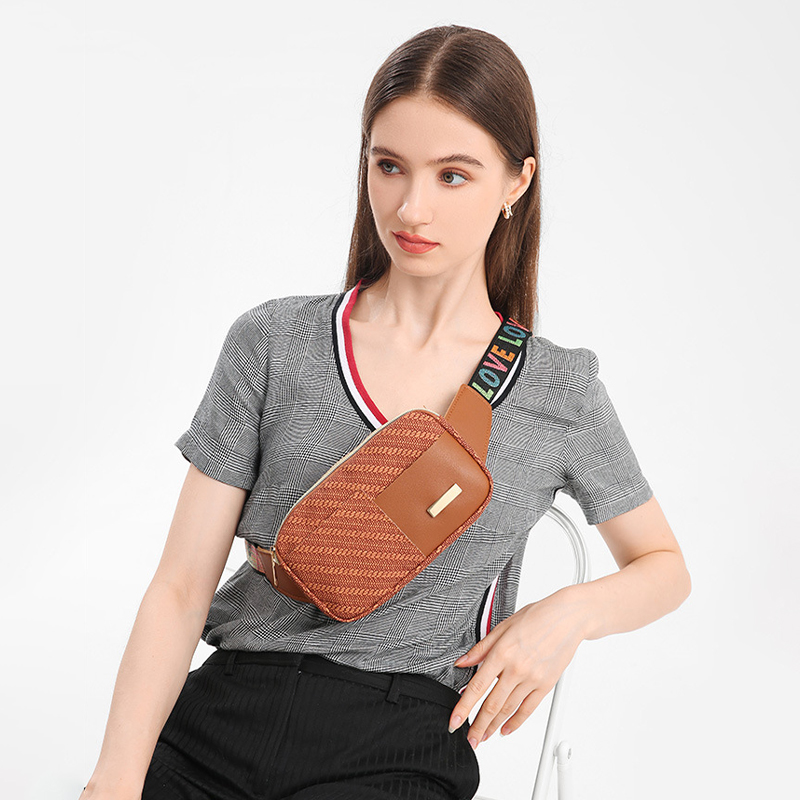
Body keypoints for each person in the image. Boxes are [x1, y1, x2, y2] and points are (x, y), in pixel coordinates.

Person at [81, 24, 691, 800]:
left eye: (453, 175)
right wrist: (114, 779)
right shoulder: (273, 343)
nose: (411, 207)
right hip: (220, 718)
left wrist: (566, 615)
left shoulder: (557, 390)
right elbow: (178, 588)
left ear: (517, 182)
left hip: (399, 746)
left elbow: (663, 568)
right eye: (389, 166)